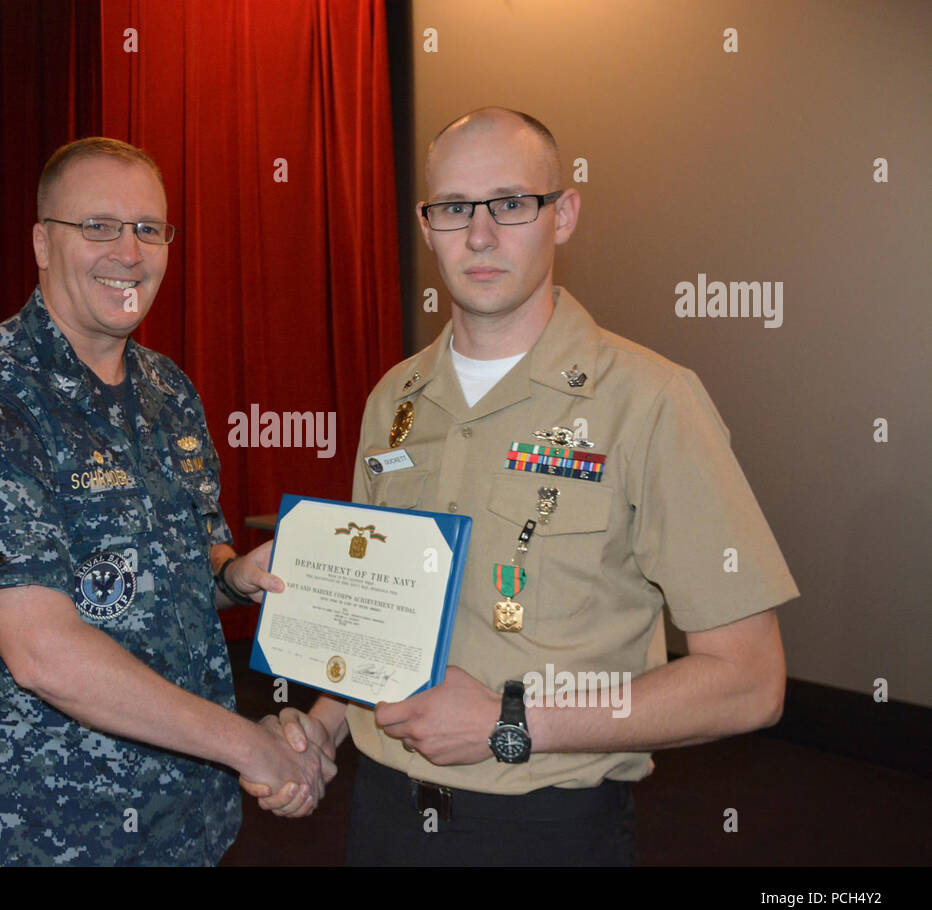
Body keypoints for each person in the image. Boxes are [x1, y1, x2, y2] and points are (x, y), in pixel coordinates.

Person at [251, 107, 799, 865]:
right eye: (453, 209)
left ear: (563, 213)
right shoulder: (395, 399)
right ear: (425, 223)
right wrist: (323, 726)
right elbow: (381, 629)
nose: (479, 235)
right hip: (381, 816)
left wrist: (514, 721)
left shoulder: (650, 402)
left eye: (511, 204)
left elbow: (748, 682)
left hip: (544, 831)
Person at [0, 136, 332, 866]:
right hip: (49, 834)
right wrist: (251, 747)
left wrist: (233, 574)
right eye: (97, 226)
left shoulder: (167, 391)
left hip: (188, 820)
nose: (127, 252)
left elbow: (186, 557)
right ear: (42, 242)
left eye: (148, 229)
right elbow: (44, 653)